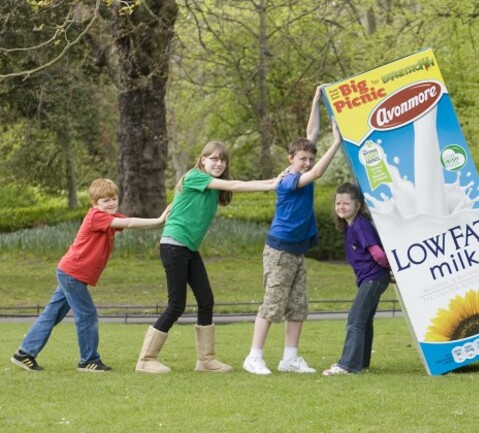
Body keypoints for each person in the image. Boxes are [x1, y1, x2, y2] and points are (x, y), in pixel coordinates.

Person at [135, 141, 283, 374]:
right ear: (202, 159)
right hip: (174, 245)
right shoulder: (194, 177)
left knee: (206, 300)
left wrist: (274, 181)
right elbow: (235, 184)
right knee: (176, 305)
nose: (219, 163)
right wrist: (272, 184)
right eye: (213, 158)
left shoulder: (212, 187)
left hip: (189, 249)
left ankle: (205, 360)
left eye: (222, 160)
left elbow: (231, 184)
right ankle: (146, 359)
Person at [11, 178, 170, 373]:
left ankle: (25, 353)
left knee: (51, 315)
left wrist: (160, 223)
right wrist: (159, 219)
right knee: (86, 314)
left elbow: (129, 222)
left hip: (70, 273)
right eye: (105, 200)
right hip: (72, 274)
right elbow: (128, 222)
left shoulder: (107, 218)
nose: (111, 203)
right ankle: (88, 360)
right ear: (95, 204)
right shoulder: (97, 216)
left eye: (114, 198)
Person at [242, 85, 341, 375]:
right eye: (302, 159)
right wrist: (336, 142)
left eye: (310, 158)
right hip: (279, 249)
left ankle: (290, 358)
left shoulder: (302, 162)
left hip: (297, 251)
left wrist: (315, 102)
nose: (308, 162)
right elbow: (318, 172)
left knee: (297, 306)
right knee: (272, 304)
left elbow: (310, 135)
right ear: (290, 159)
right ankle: (254, 356)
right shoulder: (287, 180)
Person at [322, 182, 391, 376]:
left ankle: (347, 365)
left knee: (355, 319)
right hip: (373, 278)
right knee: (365, 319)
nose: (341, 207)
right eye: (338, 203)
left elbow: (378, 254)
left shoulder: (360, 225)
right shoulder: (350, 226)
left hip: (373, 277)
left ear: (357, 205)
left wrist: (389, 268)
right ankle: (360, 362)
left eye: (346, 203)